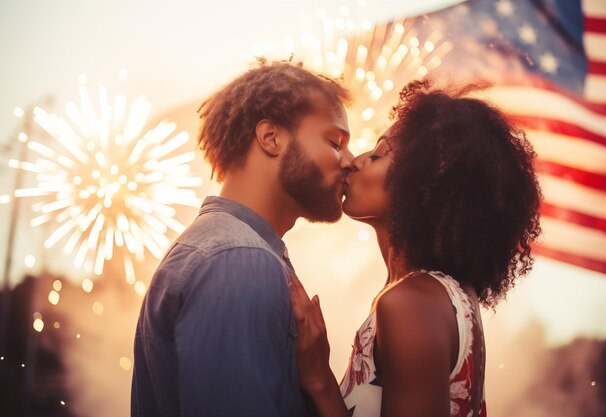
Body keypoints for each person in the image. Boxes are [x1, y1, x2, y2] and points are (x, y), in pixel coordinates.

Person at [290, 80, 542, 417]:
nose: (355, 162)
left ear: (424, 183)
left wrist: (319, 377)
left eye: (379, 154)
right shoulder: (441, 295)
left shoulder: (410, 303)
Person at [131, 60, 354, 417]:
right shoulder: (238, 260)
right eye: (335, 142)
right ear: (271, 138)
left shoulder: (229, 250)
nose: (350, 161)